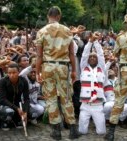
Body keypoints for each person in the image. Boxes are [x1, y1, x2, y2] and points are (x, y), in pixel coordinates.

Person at [35, 6, 79, 140]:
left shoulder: (41, 31)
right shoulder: (67, 31)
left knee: (51, 98)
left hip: (48, 66)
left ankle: (56, 131)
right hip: (63, 67)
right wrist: (74, 71)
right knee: (66, 97)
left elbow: (39, 56)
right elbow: (72, 53)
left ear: (48, 16)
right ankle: (72, 129)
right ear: (59, 16)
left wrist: (37, 73)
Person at [78, 32, 106, 135]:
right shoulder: (83, 68)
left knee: (101, 132)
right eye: (91, 57)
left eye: (94, 57)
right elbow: (84, 55)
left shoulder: (101, 69)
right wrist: (90, 42)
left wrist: (96, 42)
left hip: (98, 105)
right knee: (82, 131)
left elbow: (101, 55)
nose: (92, 58)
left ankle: (97, 123)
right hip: (85, 105)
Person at [0, 63, 30, 131]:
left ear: (18, 72)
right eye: (9, 73)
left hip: (17, 103)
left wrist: (25, 111)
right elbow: (2, 99)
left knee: (30, 111)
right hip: (6, 104)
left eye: (14, 72)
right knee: (9, 111)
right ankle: (5, 122)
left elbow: (26, 98)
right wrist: (17, 109)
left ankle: (16, 120)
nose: (11, 75)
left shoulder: (23, 81)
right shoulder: (3, 81)